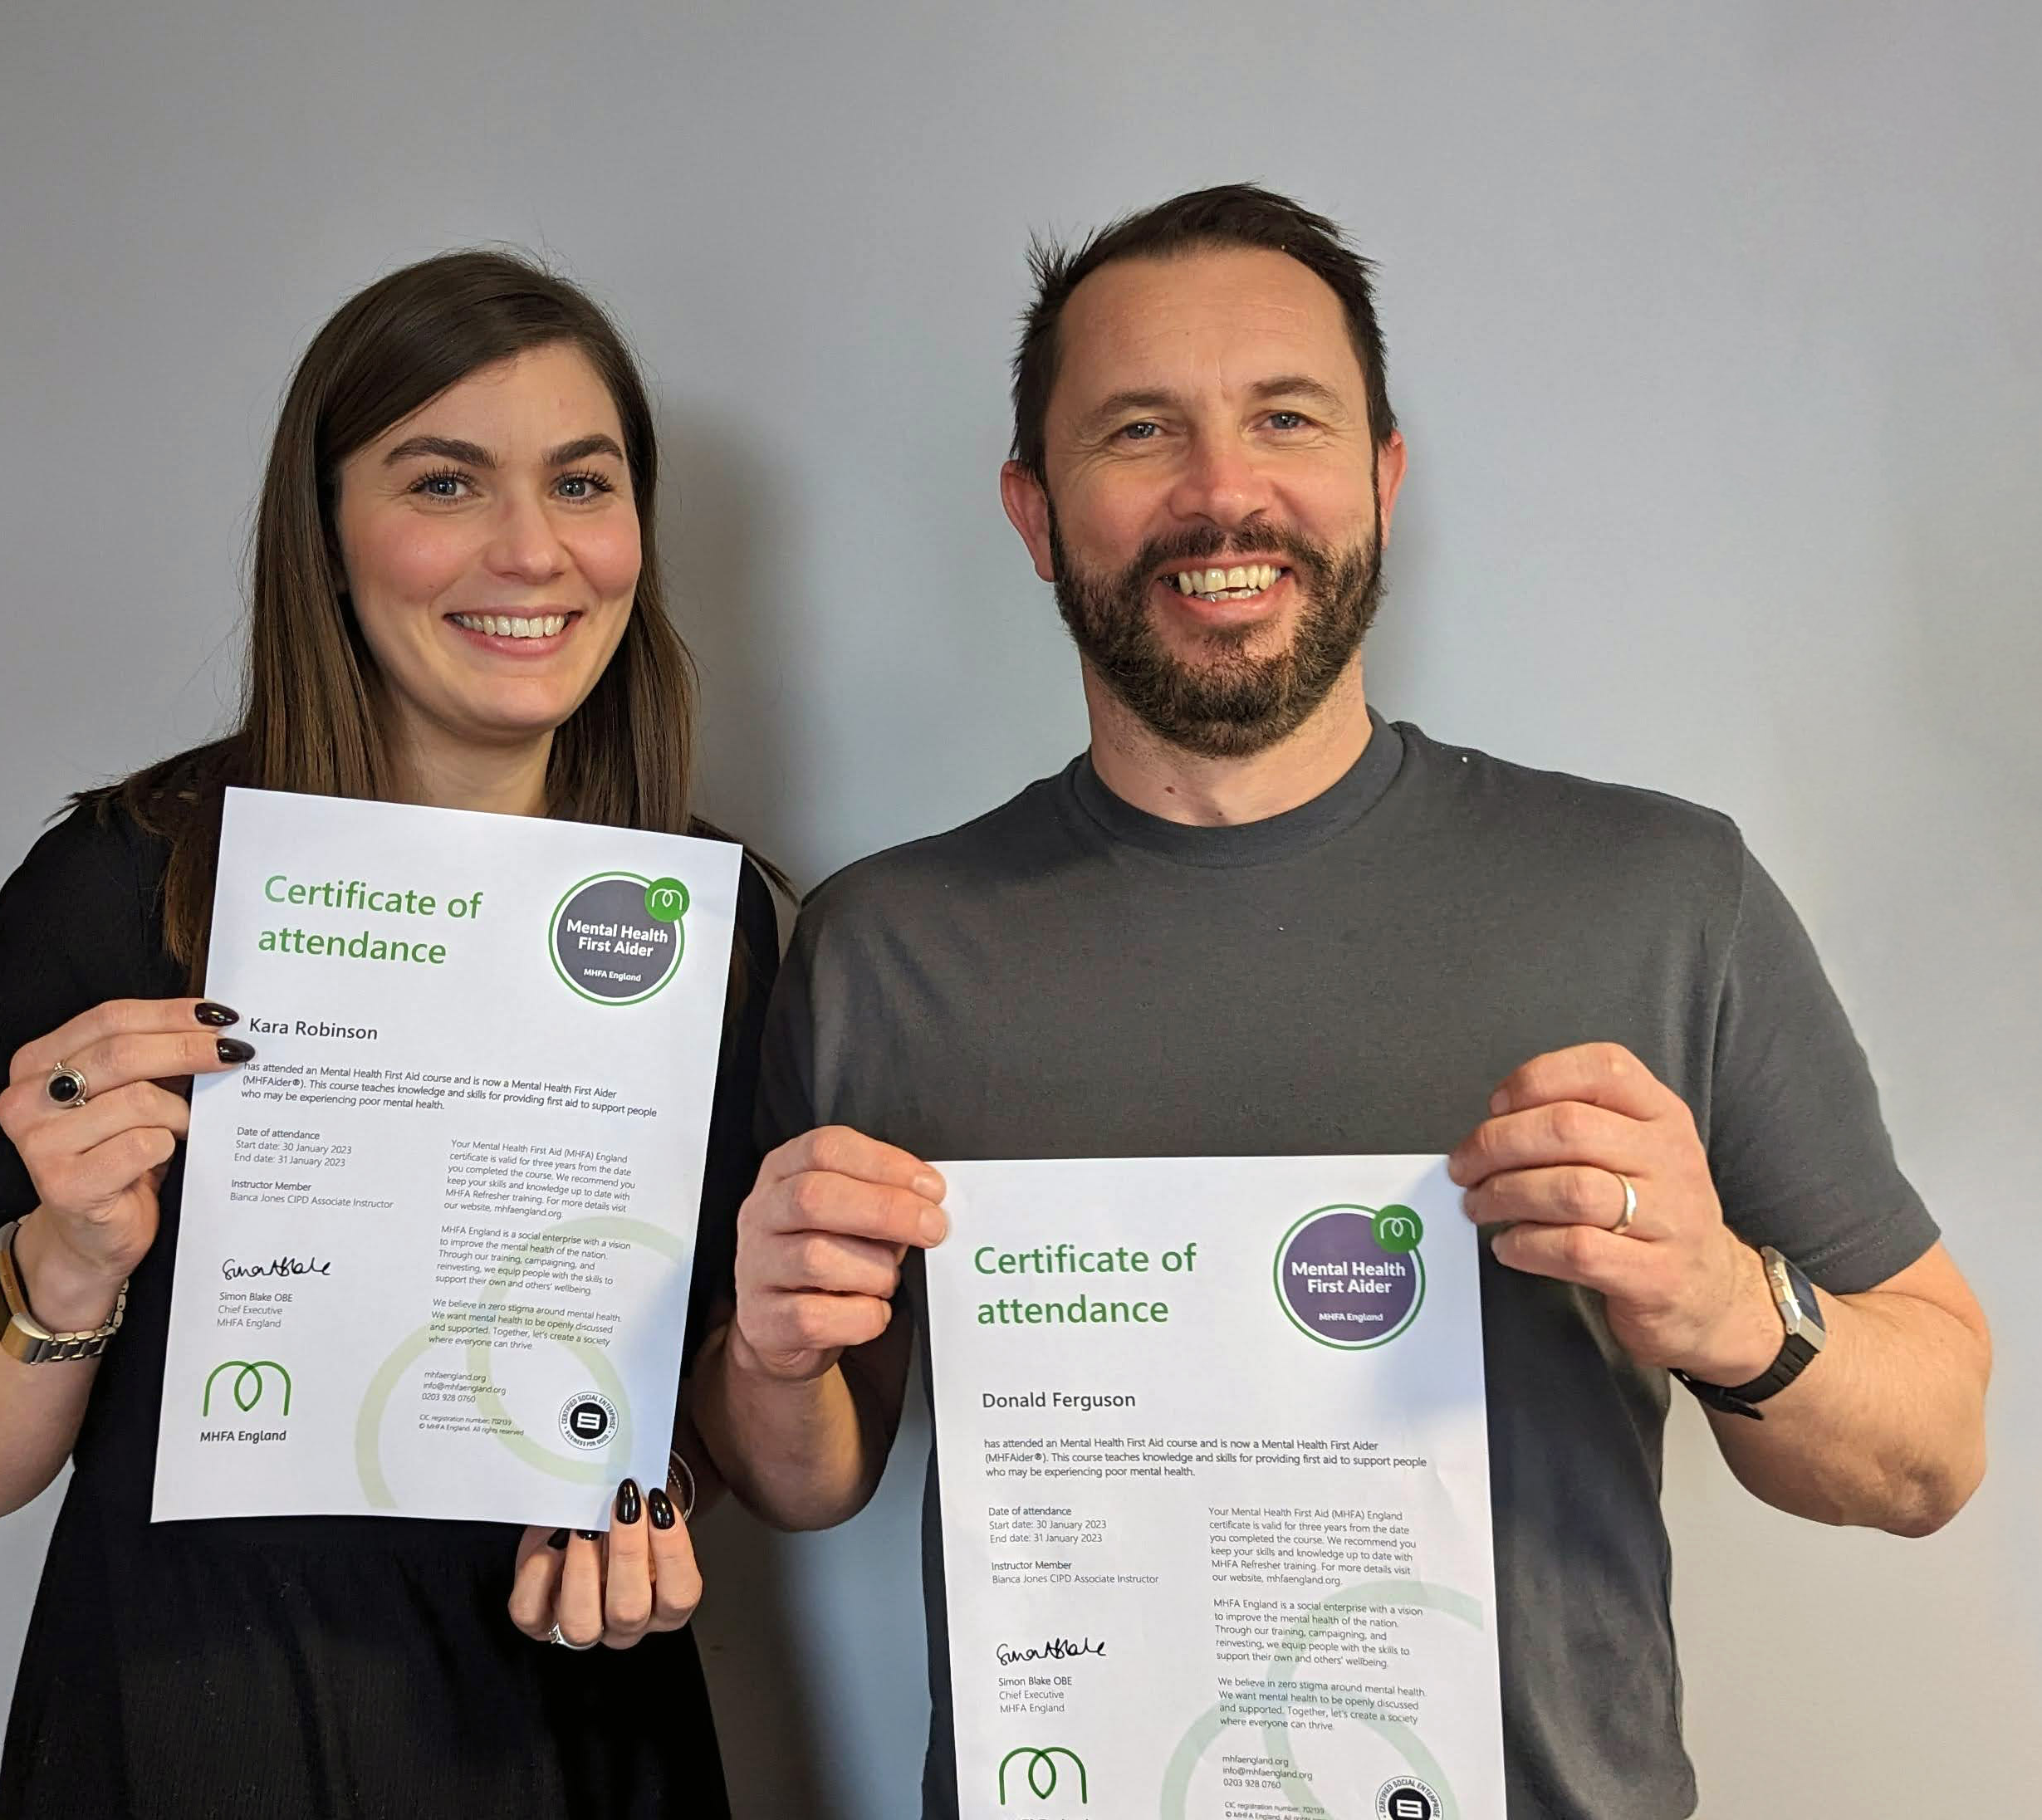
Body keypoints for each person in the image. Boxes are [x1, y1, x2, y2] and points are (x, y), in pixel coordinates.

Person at [689, 184, 1992, 1820]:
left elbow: (1931, 1449)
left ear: (1380, 474)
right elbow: (814, 1475)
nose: (1221, 493)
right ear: (1032, 509)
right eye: (1139, 431)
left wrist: (1732, 1307)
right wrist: (768, 1348)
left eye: (1283, 418)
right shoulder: (884, 944)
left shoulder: (1661, 895)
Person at [0, 249, 776, 1818]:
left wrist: (650, 1501)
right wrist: (71, 1261)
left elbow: (686, 1394)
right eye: (444, 480)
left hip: (573, 1742)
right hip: (192, 1728)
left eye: (582, 480)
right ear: (327, 533)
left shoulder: (721, 924)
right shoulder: (127, 884)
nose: (531, 548)